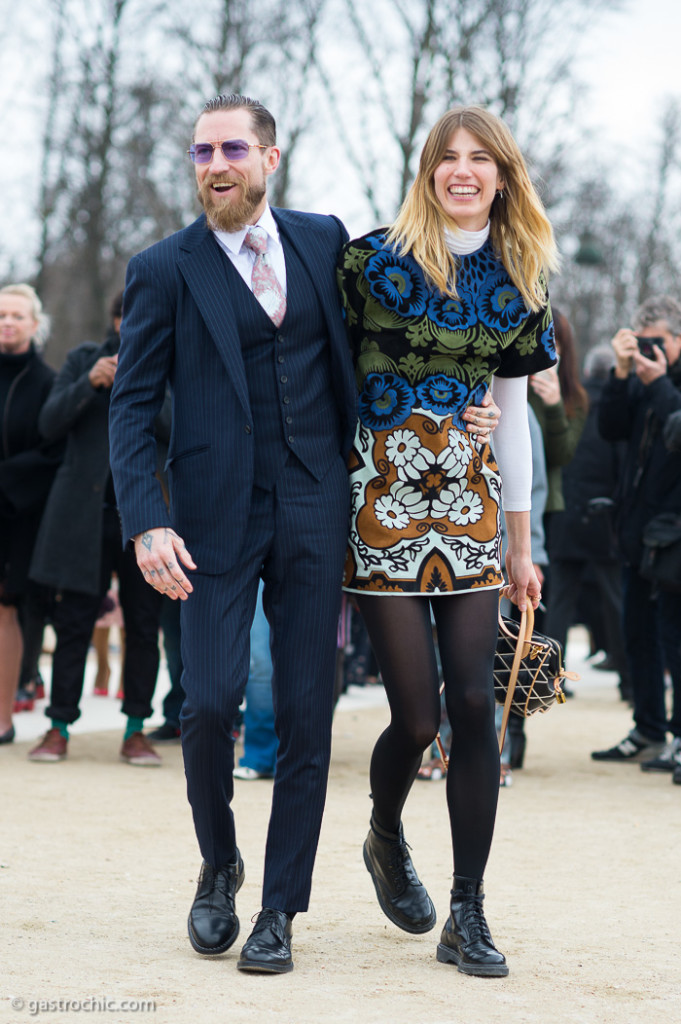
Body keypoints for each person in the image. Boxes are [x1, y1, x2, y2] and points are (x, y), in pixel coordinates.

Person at [107, 93, 498, 975]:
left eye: (233, 148)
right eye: (202, 150)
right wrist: (145, 522)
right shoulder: (163, 268)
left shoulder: (327, 241)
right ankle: (220, 865)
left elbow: (404, 328)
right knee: (206, 705)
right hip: (206, 521)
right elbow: (130, 409)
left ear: (269, 159)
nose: (216, 164)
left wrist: (469, 401)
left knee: (305, 714)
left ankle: (280, 907)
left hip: (320, 507)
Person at [338, 104, 558, 978]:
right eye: (446, 158)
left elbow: (509, 418)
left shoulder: (522, 279)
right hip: (378, 499)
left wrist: (520, 541)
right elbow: (319, 368)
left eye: (480, 159)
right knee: (417, 713)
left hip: (468, 503)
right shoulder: (367, 261)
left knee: (474, 703)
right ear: (427, 170)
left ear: (503, 175)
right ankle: (385, 831)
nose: (461, 171)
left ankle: (467, 912)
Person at [27, 292, 163, 766]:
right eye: (126, 317)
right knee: (72, 625)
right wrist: (90, 383)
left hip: (146, 518)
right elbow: (48, 424)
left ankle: (135, 730)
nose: (131, 324)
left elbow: (178, 427)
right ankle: (58, 726)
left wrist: (137, 379)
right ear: (115, 320)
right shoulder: (84, 358)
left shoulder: (172, 360)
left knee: (143, 626)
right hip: (84, 517)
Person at [592, 296, 681, 769]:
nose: (650, 349)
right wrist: (622, 373)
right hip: (637, 531)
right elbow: (610, 427)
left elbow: (677, 430)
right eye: (640, 339)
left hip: (673, 535)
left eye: (658, 342)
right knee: (637, 636)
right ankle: (648, 728)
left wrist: (661, 382)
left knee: (674, 638)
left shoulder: (666, 384)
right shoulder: (642, 378)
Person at [0, 284, 61, 744]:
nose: (8, 322)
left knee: (5, 614)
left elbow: (52, 451)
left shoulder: (47, 381)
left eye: (17, 316)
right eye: (2, 315)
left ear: (34, 325)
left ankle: (2, 718)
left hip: (17, 517)